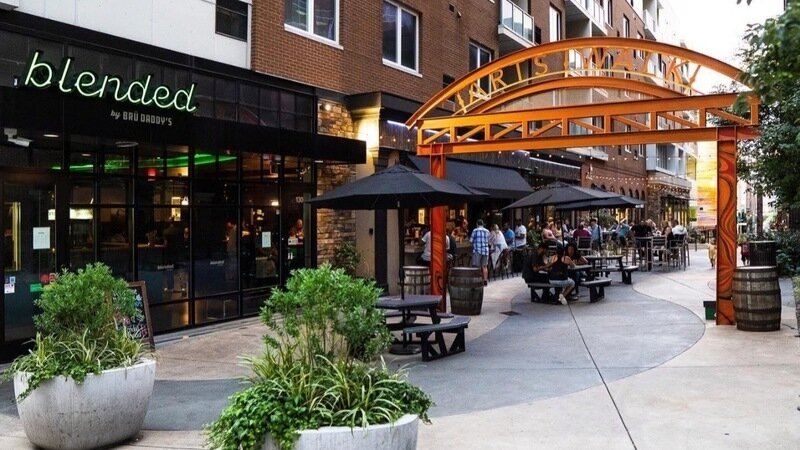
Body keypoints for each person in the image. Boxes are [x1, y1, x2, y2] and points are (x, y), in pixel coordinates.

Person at [470, 219, 491, 285]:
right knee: (484, 266)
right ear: (483, 224)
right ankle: (485, 280)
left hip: (477, 250)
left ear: (477, 224)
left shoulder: (475, 230)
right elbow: (489, 242)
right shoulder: (487, 231)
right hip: (485, 251)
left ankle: (478, 280)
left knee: (477, 266)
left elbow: (471, 241)